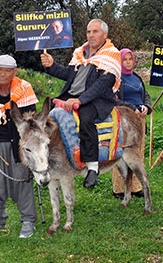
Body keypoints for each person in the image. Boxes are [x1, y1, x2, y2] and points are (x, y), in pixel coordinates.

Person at [40, 18, 120, 188]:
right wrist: (52, 65)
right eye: (89, 32)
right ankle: (47, 160)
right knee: (48, 118)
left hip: (96, 100)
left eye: (95, 31)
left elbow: (102, 84)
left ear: (105, 34)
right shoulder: (80, 53)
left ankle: (92, 167)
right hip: (71, 96)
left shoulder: (111, 54)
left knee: (85, 118)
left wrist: (80, 100)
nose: (91, 35)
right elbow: (68, 74)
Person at [0, 54, 39, 238]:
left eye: (7, 70)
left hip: (19, 146)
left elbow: (32, 123)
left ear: (14, 72)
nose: (2, 73)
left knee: (22, 182)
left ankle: (28, 220)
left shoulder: (25, 89)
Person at [111, 48, 151, 199]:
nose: (128, 62)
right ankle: (119, 189)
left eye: (130, 59)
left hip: (139, 119)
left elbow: (145, 95)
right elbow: (114, 99)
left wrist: (146, 107)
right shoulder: (116, 78)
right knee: (122, 152)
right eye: (124, 60)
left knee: (137, 152)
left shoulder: (137, 77)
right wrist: (133, 108)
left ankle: (135, 187)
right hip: (124, 119)